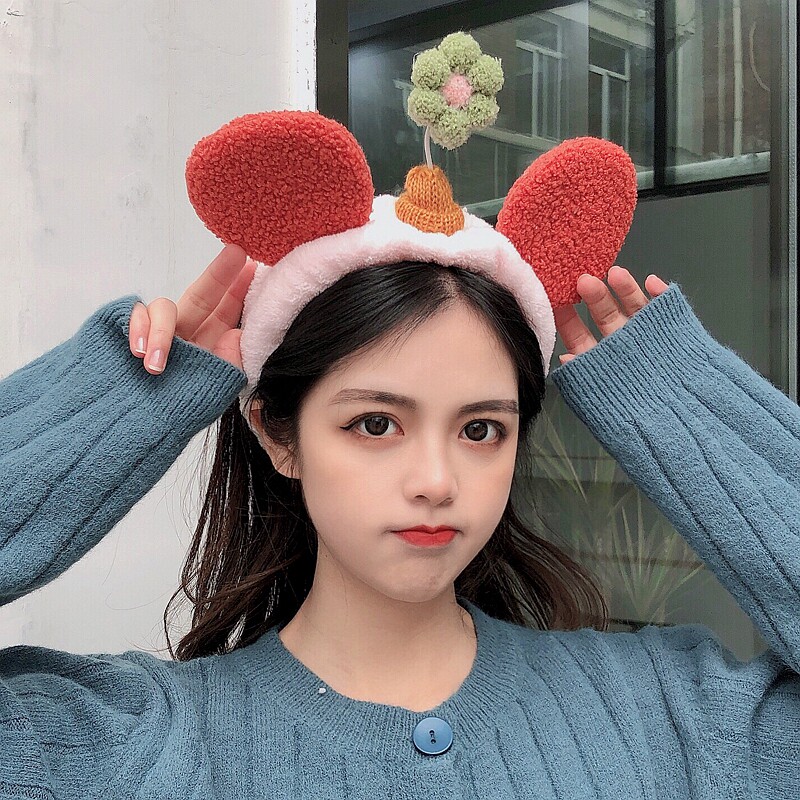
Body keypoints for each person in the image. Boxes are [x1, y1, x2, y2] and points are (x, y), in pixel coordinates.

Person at [1, 239, 798, 798]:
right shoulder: (131, 745)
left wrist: (679, 402)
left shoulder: (674, 713)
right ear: (279, 436)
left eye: (481, 429)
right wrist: (119, 402)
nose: (436, 482)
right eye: (376, 423)